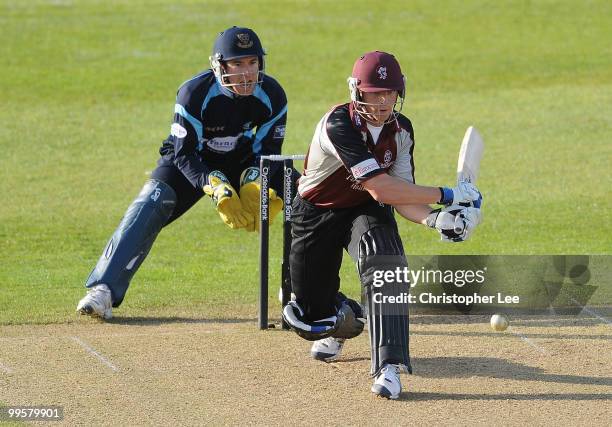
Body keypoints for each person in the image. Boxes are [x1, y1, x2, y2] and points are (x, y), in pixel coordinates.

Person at [281, 51, 482, 399]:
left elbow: (399, 195)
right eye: (375, 92)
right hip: (317, 211)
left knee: (386, 263)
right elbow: (381, 185)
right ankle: (343, 319)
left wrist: (436, 219)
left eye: (390, 92)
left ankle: (389, 366)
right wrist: (449, 194)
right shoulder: (337, 125)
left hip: (367, 209)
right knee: (310, 317)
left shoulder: (402, 131)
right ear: (357, 91)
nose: (383, 101)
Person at [77, 26, 292, 319]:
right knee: (150, 203)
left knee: (302, 188)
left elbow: (268, 150)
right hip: (191, 160)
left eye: (252, 62)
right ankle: (102, 290)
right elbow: (183, 151)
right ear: (220, 65)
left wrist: (253, 181)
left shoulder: (272, 94)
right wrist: (212, 184)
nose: (246, 73)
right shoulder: (194, 92)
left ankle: (302, 287)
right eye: (237, 64)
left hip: (243, 160)